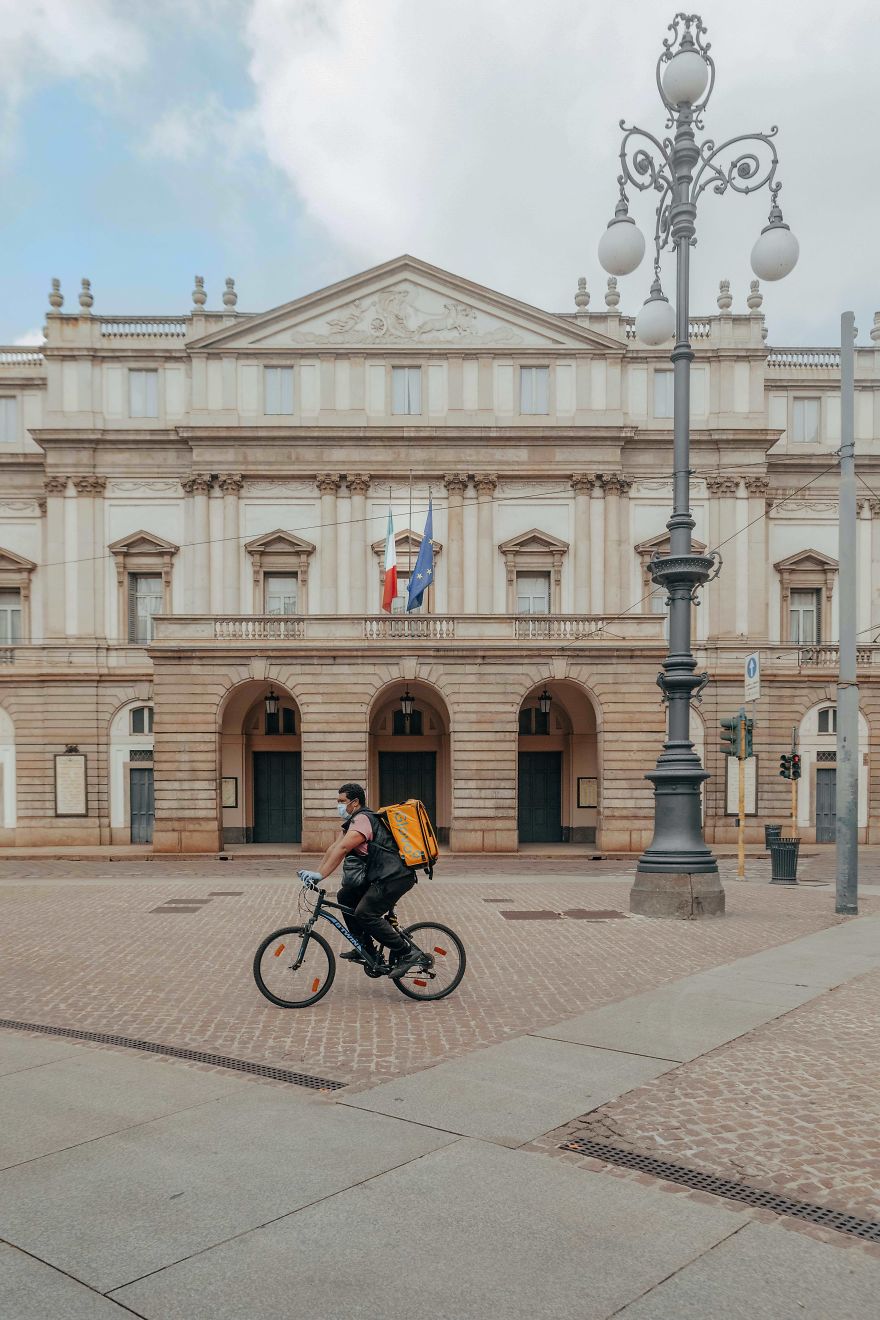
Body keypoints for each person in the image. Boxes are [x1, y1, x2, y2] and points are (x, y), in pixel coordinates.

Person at [297, 782, 425, 977]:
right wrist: (316, 874)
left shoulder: (363, 819)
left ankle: (408, 953)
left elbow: (343, 849)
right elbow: (333, 848)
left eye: (342, 801)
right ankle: (365, 947)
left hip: (395, 877)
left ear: (355, 802)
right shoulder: (352, 822)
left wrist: (322, 875)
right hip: (382, 875)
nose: (338, 806)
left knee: (366, 913)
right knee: (345, 896)